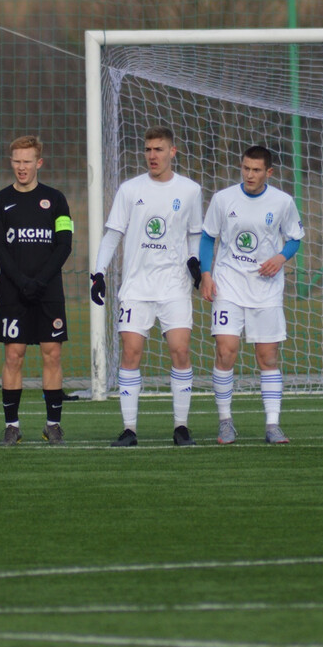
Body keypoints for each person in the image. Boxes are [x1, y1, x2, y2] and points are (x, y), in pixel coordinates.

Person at [90, 126, 203, 447]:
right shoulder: (129, 189)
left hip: (174, 286)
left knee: (180, 351)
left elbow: (196, 235)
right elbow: (113, 234)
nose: (152, 156)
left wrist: (196, 264)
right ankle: (129, 430)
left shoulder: (191, 190)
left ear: (172, 151)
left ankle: (181, 427)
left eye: (158, 149)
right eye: (148, 150)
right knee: (131, 353)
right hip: (137, 287)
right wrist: (98, 273)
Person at [199, 145, 305, 445]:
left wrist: (281, 257)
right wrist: (206, 275)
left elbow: (295, 238)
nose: (249, 174)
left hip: (266, 289)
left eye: (256, 170)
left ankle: (272, 425)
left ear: (268, 172)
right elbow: (208, 237)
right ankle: (225, 421)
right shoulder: (223, 199)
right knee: (226, 350)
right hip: (228, 284)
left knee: (267, 356)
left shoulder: (282, 202)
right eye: (245, 168)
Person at [0, 136, 73, 445]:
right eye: (16, 161)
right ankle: (12, 425)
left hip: (48, 291)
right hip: (14, 290)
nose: (21, 167)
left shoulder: (57, 199)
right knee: (14, 354)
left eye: (27, 161)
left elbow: (64, 245)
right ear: (10, 162)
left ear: (39, 163)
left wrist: (40, 280)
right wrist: (22, 281)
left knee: (52, 354)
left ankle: (53, 425)